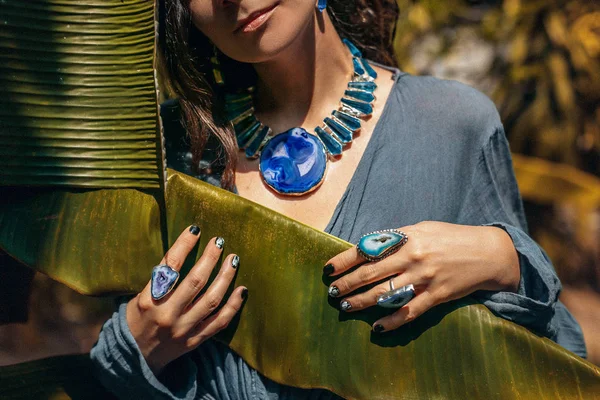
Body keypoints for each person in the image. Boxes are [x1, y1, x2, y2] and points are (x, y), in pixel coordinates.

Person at [90, 0, 587, 398]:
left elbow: (546, 356)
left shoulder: (452, 124)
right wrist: (134, 347)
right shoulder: (171, 147)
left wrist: (501, 257)